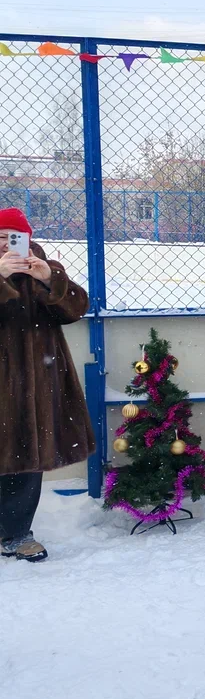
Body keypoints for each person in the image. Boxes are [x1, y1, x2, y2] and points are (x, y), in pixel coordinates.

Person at [0, 208, 94, 562]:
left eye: (14, 237)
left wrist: (50, 281)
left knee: (26, 457)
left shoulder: (43, 267)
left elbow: (76, 309)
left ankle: (17, 534)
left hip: (37, 384)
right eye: (1, 237)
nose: (7, 246)